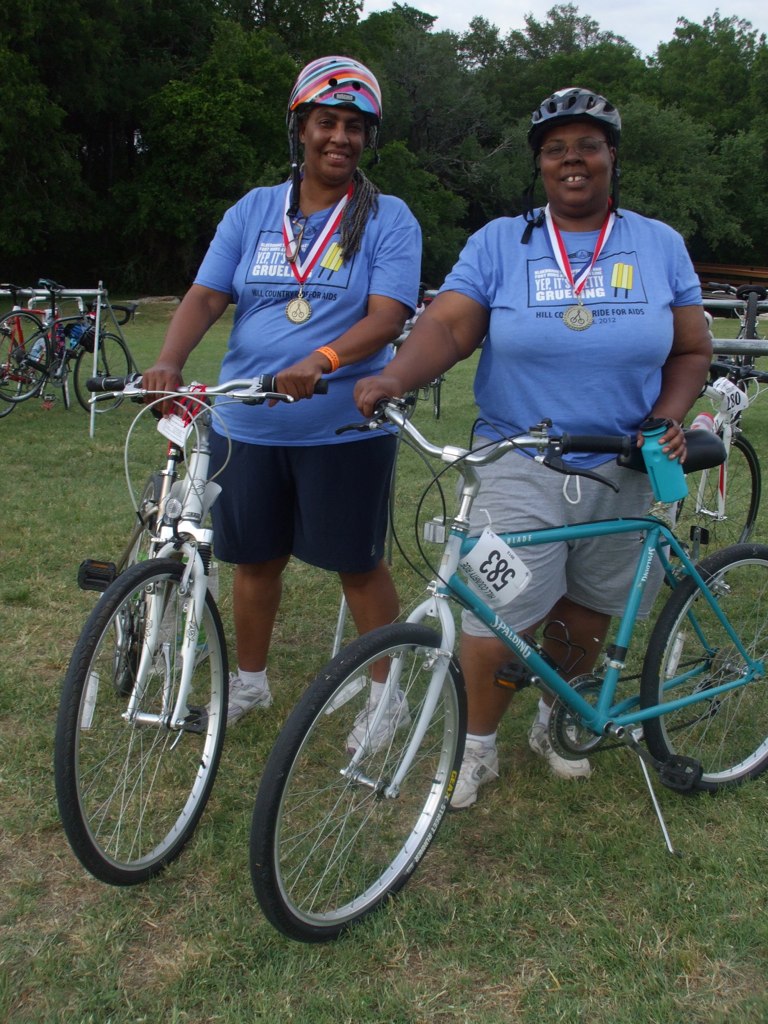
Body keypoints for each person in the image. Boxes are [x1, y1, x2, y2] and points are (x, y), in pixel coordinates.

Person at [355, 87, 712, 808]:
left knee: (587, 607)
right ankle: (477, 746)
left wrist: (670, 414)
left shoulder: (658, 244)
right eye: (556, 149)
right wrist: (393, 374)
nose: (572, 160)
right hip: (520, 454)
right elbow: (451, 327)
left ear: (612, 156)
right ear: (540, 164)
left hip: (624, 460)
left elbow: (691, 348)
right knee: (498, 611)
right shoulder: (500, 241)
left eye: (588, 145)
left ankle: (553, 720)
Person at [142, 56, 422, 725]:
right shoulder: (253, 210)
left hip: (345, 424)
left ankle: (387, 697)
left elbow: (388, 314)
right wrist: (168, 361)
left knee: (357, 565)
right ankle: (249, 681)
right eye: (327, 122)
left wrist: (324, 357)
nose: (341, 138)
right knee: (254, 562)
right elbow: (209, 293)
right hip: (248, 423)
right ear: (299, 127)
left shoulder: (388, 217)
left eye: (355, 127)